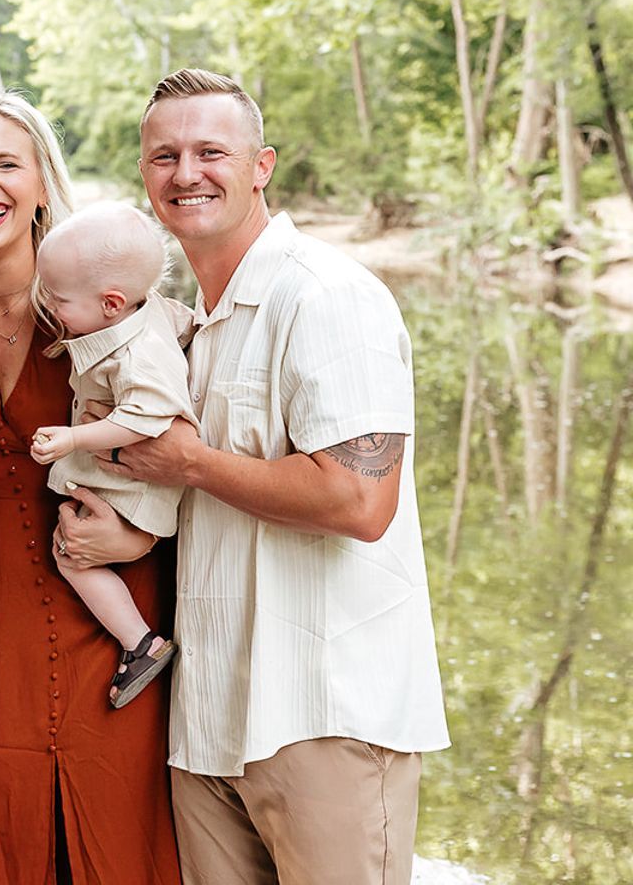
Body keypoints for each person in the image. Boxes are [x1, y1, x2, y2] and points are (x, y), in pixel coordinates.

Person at [60, 68, 448, 883]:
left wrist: (189, 462)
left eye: (211, 151)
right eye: (164, 156)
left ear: (262, 165)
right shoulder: (176, 328)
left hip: (324, 718)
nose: (186, 173)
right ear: (144, 176)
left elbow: (359, 497)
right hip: (211, 722)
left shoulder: (327, 296)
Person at [0, 90, 182, 885]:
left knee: (117, 821)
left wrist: (143, 535)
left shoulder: (102, 303)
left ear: (43, 181)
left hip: (110, 596)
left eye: (7, 163)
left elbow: (180, 431)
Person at [28, 201, 192, 709]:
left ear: (112, 303)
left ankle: (139, 643)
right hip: (121, 481)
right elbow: (184, 324)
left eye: (59, 301)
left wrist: (75, 438)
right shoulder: (149, 309)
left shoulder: (136, 355)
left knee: (69, 555)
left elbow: (147, 417)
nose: (52, 308)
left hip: (133, 490)